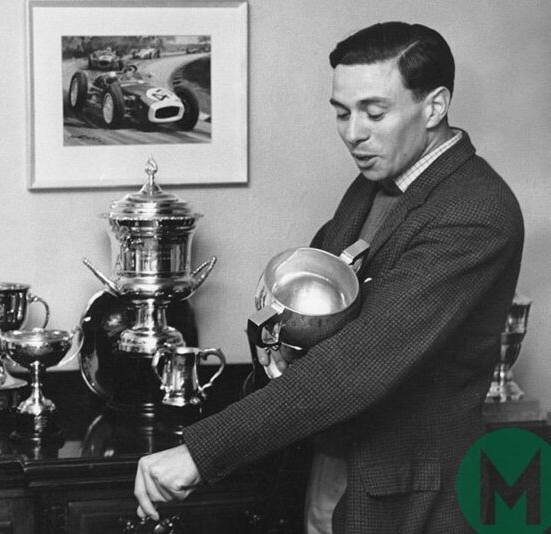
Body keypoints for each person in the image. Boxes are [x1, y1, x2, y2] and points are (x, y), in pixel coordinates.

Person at [133, 21, 524, 534]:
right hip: (330, 467)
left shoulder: (475, 211)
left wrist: (202, 453)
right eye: (341, 112)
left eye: (373, 112)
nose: (353, 132)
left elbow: (363, 358)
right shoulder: (376, 182)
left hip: (410, 496)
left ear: (434, 106)